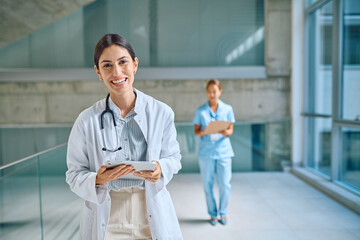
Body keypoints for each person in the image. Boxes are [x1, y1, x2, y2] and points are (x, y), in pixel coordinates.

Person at [66, 33, 183, 240]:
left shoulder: (161, 112)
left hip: (150, 211)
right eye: (107, 66)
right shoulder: (86, 121)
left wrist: (160, 169)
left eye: (123, 62)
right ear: (98, 72)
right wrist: (97, 179)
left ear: (135, 64)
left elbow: (174, 158)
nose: (117, 72)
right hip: (109, 215)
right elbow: (73, 175)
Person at [193, 79, 235, 226]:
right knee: (207, 184)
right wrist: (204, 131)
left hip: (224, 152)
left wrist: (226, 132)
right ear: (207, 92)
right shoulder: (201, 111)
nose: (212, 94)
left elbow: (231, 129)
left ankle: (223, 213)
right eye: (209, 91)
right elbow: (196, 131)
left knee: (224, 184)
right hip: (206, 153)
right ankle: (212, 214)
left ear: (220, 92)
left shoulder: (228, 109)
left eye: (215, 91)